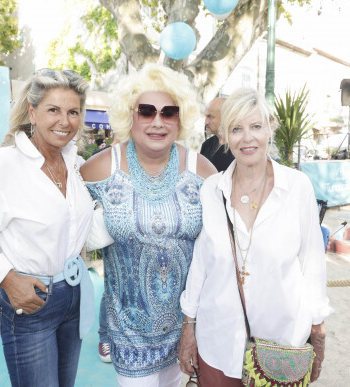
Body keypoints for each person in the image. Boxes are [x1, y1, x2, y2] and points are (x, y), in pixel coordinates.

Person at [0, 69, 95, 387]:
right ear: (32, 112)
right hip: (31, 302)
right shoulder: (2, 167)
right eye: (53, 110)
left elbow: (83, 228)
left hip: (74, 296)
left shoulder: (76, 165)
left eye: (73, 112)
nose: (64, 121)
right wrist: (7, 280)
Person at [178, 88, 332, 385]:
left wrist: (318, 331)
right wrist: (189, 326)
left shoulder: (298, 187)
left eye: (256, 126)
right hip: (217, 342)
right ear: (223, 137)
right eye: (236, 129)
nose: (247, 138)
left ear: (270, 128)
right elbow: (201, 262)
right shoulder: (211, 190)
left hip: (280, 345)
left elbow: (312, 264)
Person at [80, 63, 217, 386]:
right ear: (131, 116)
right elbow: (59, 212)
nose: (158, 121)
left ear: (180, 118)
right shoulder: (100, 168)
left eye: (169, 112)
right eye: (147, 111)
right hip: (129, 333)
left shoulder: (202, 170)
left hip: (187, 327)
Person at [200, 97, 235, 171]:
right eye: (206, 117)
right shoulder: (206, 145)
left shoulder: (238, 147)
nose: (206, 122)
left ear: (225, 117)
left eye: (210, 117)